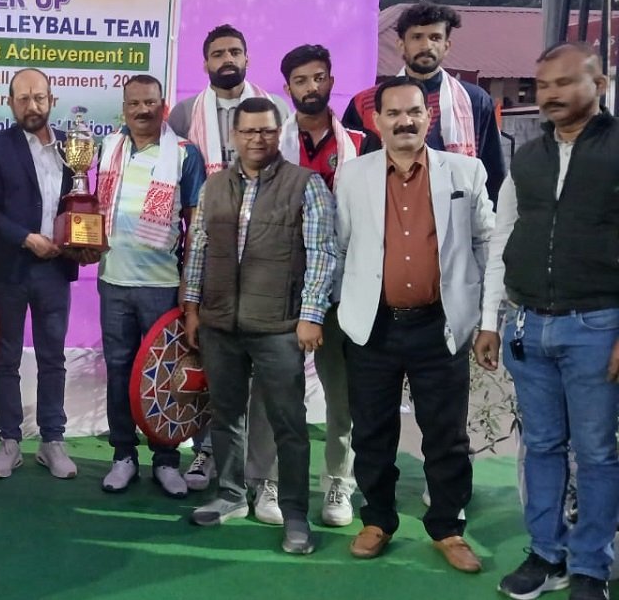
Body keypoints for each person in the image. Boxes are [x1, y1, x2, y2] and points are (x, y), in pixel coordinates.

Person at [475, 42, 619, 600]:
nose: (551, 94)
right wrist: (490, 320)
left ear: (598, 85)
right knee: (541, 447)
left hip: (598, 325)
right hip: (528, 324)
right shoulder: (528, 156)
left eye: (564, 82)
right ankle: (545, 554)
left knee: (597, 452)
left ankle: (590, 567)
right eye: (543, 85)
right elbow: (503, 238)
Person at [335, 76, 494, 573]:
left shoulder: (465, 171)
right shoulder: (352, 176)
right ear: (376, 121)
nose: (405, 121)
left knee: (446, 434)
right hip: (373, 327)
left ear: (429, 117)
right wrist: (342, 311)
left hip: (439, 325)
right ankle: (377, 519)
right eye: (394, 113)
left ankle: (447, 527)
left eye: (414, 112)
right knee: (371, 432)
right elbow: (341, 247)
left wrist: (484, 316)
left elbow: (487, 244)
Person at [181, 96, 336, 555]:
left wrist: (311, 316)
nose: (257, 139)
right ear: (234, 136)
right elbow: (199, 248)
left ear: (278, 133)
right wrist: (192, 308)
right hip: (219, 323)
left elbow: (323, 254)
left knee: (289, 423)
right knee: (226, 415)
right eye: (248, 131)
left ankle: (295, 515)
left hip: (279, 326)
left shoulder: (306, 184)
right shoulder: (214, 186)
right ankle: (230, 495)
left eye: (266, 130)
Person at [243, 44, 363, 529]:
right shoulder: (272, 145)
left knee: (342, 393)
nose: (311, 87)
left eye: (318, 78)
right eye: (300, 80)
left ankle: (339, 481)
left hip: (342, 288)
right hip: (282, 286)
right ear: (287, 88)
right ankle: (267, 480)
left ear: (330, 81)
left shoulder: (360, 144)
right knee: (272, 388)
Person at [96, 75, 205, 497]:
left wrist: (190, 293)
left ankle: (166, 460)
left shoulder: (185, 154)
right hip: (113, 282)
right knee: (119, 371)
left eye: (150, 102)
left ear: (163, 105)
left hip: (162, 286)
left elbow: (196, 229)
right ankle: (123, 455)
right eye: (134, 103)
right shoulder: (108, 148)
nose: (143, 110)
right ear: (123, 107)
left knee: (164, 375)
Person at [0, 68, 81, 480]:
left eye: (39, 97)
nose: (31, 105)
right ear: (10, 103)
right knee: (6, 358)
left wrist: (80, 240)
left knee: (52, 357)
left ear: (51, 100)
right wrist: (26, 238)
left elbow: (81, 202)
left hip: (55, 269)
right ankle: (9, 440)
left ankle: (52, 440)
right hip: (10, 269)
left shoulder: (73, 147)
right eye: (22, 98)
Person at [341, 2, 505, 203]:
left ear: (446, 46)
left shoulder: (475, 101)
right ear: (401, 45)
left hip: (457, 214)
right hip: (385, 211)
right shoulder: (365, 103)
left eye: (435, 38)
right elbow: (352, 171)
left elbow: (493, 174)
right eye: (417, 37)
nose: (426, 46)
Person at [167, 23, 290, 175]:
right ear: (205, 65)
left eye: (235, 52)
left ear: (247, 60)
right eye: (218, 54)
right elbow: (174, 170)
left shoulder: (276, 106)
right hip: (207, 190)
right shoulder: (184, 112)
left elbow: (289, 162)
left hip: (267, 189)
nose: (228, 59)